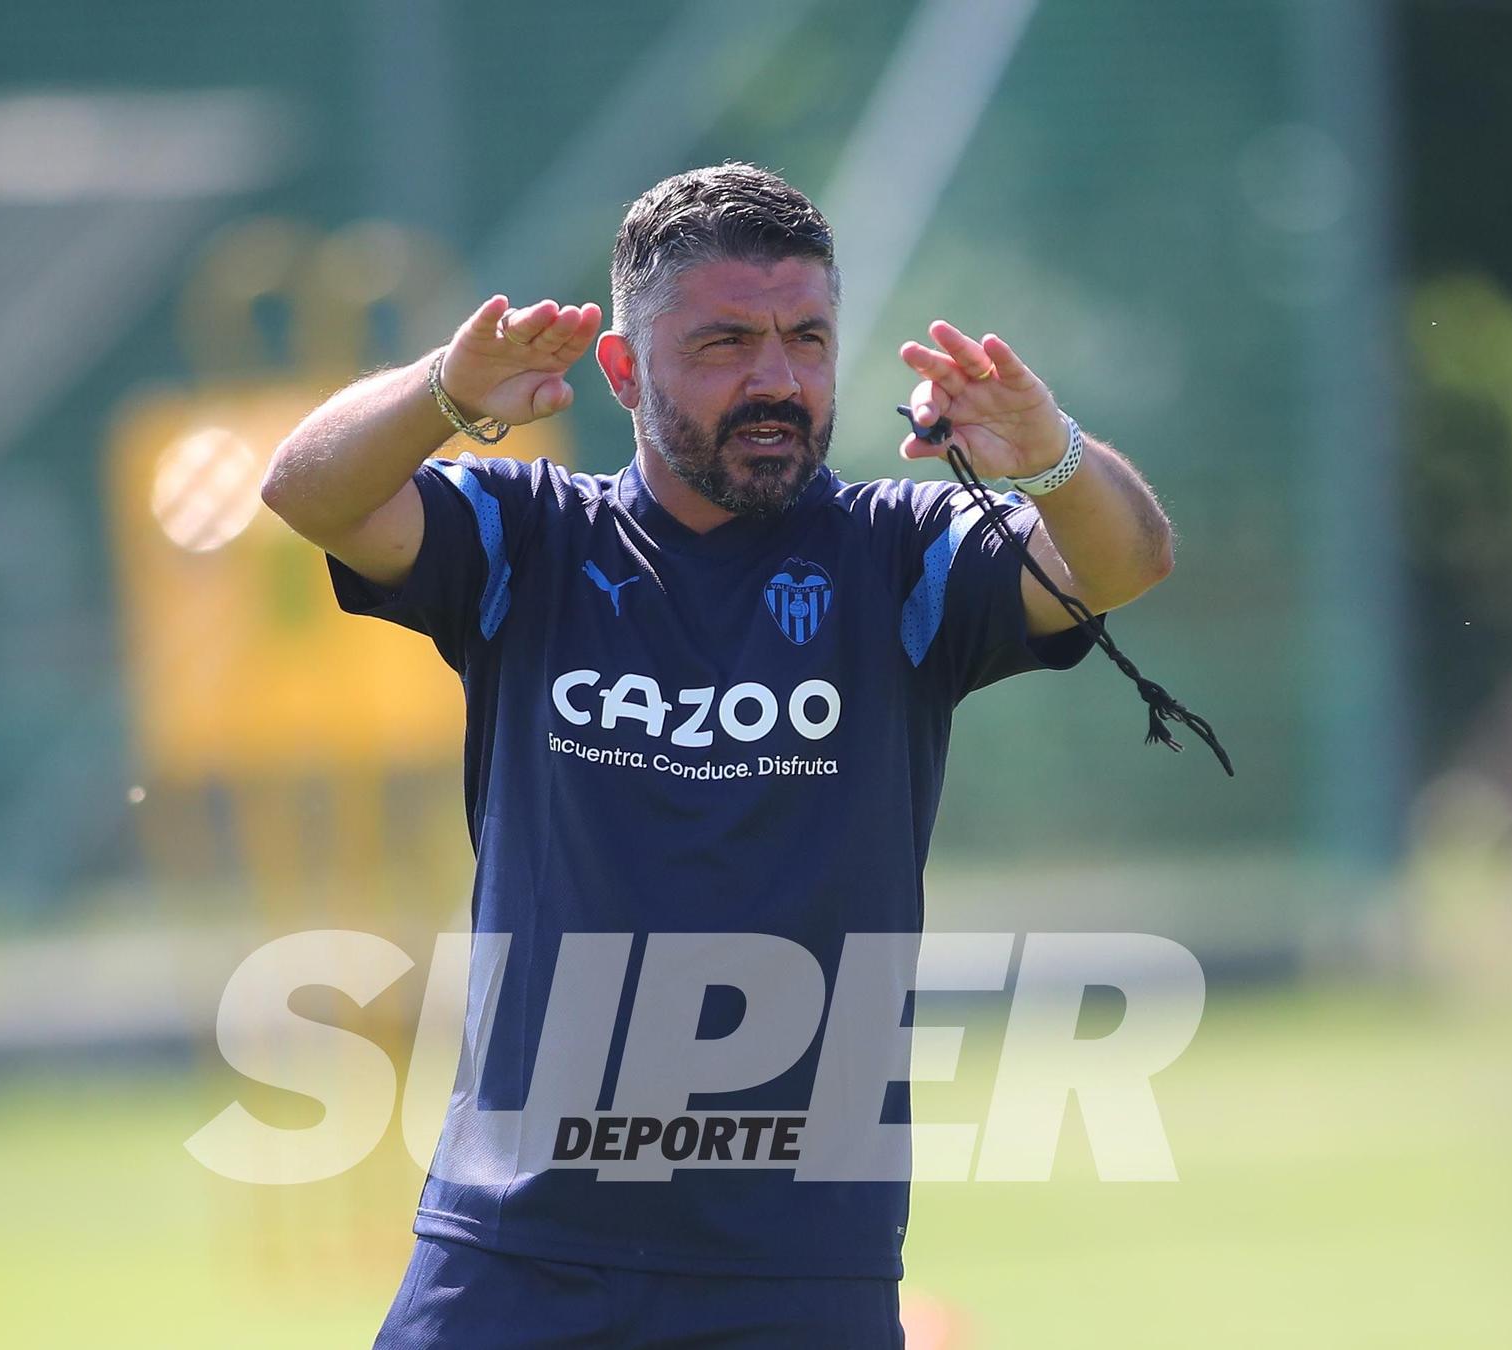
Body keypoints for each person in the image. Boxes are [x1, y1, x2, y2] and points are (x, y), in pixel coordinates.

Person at [261, 162, 1176, 1348]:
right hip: (517, 1248)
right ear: (625, 370)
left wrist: (1046, 453)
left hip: (798, 1272)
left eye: (805, 338)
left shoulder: (901, 556)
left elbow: (1123, 563)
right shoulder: (527, 538)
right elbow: (311, 492)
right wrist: (446, 390)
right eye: (726, 343)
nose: (776, 380)